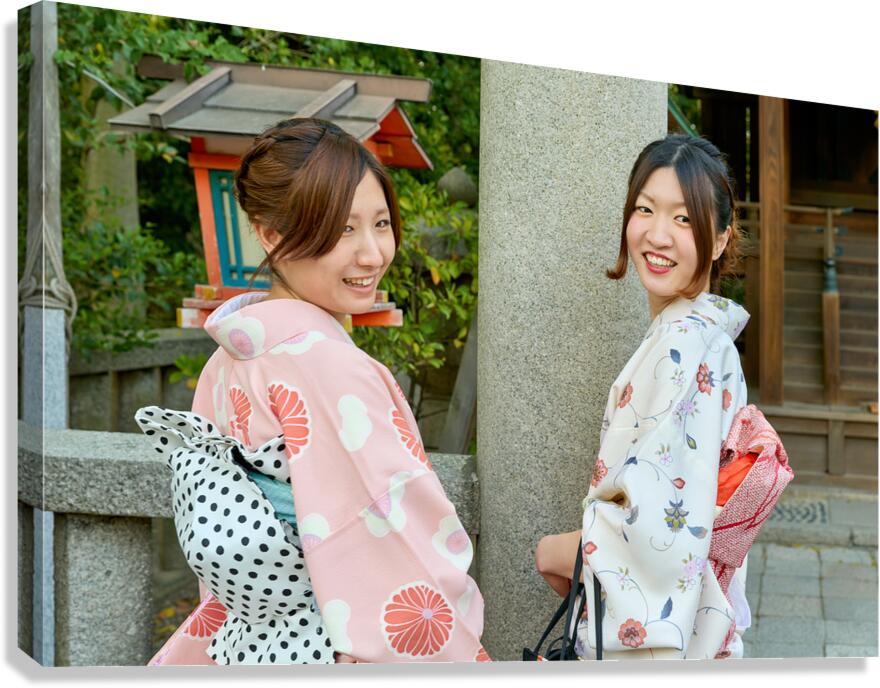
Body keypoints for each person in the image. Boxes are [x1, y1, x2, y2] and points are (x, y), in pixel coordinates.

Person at [137, 117, 487, 665]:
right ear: (271, 234)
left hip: (252, 646)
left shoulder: (225, 362)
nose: (372, 254)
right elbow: (394, 534)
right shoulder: (331, 367)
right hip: (328, 646)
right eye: (343, 230)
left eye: (380, 224)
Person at [534, 134, 755, 659]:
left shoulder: (683, 345)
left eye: (683, 218)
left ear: (720, 239)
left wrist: (556, 551)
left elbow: (659, 527)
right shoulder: (705, 336)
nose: (658, 234)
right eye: (645, 209)